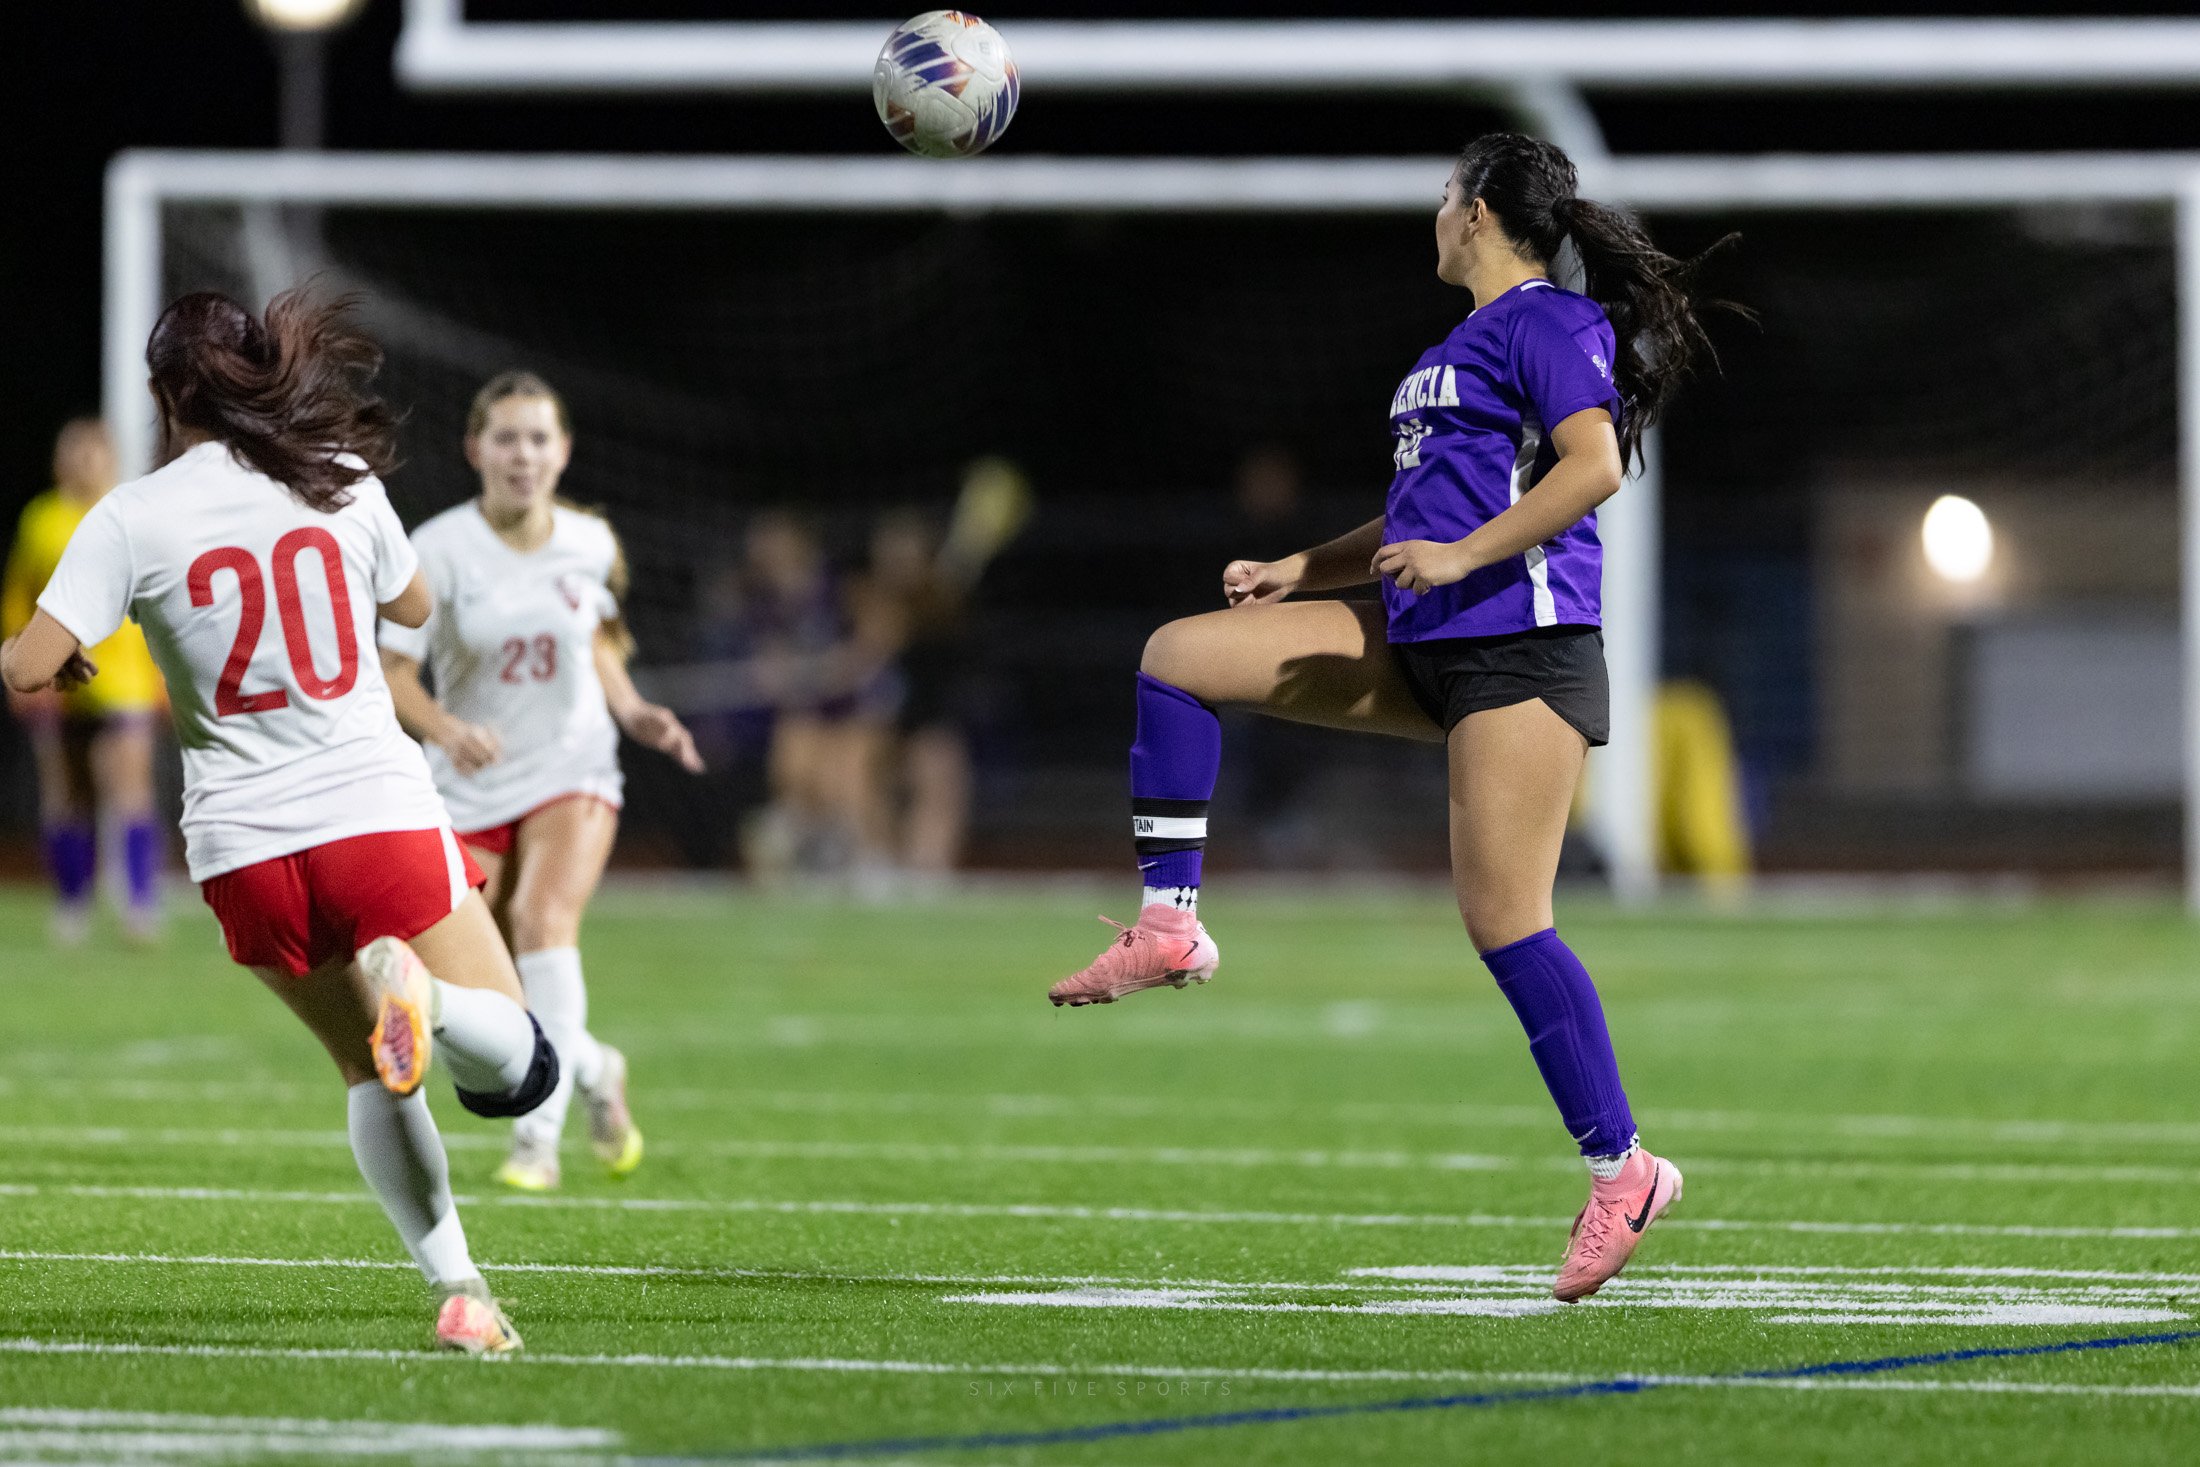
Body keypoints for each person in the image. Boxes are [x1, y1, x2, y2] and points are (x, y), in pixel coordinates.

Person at [1046, 133, 1727, 1303]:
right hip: (1421, 639)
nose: (1434, 215)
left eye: (1443, 196)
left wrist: (1461, 556)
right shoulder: (1449, 349)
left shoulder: (1549, 322)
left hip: (1519, 647)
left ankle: (1624, 1171)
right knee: (1177, 658)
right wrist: (1299, 569)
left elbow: (1593, 467)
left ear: (1478, 213)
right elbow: (1416, 515)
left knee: (1504, 922)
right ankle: (1171, 924)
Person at [0, 289, 558, 1355]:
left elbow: (29, 667)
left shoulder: (130, 514)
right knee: (518, 1072)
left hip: (245, 851)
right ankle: (430, 998)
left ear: (164, 395)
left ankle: (462, 1290)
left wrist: (49, 652)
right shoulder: (335, 477)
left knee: (367, 1070)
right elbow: (415, 608)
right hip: (373, 816)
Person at [380, 371, 702, 1193]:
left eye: (537, 438)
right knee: (474, 985)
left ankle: (536, 1143)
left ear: (562, 452)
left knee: (541, 918)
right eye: (506, 438)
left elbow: (599, 638)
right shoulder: (437, 549)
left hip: (573, 764)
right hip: (471, 780)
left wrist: (633, 710)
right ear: (475, 449)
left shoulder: (590, 541)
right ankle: (594, 1068)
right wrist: (447, 727)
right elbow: (392, 671)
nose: (522, 454)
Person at [2, 420, 166, 943]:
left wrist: (162, 671)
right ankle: (72, 902)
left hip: (124, 679)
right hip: (60, 679)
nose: (82, 462)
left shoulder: (129, 515)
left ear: (111, 459)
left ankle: (140, 905)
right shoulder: (42, 519)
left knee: (132, 791)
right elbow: (19, 597)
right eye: (72, 453)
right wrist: (22, 666)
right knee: (68, 794)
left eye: (92, 453)